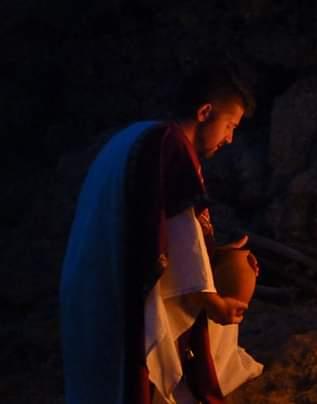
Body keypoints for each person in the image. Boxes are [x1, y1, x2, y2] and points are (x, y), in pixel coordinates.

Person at [60, 63, 263, 404]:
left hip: (92, 283)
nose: (230, 138)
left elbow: (152, 227)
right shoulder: (169, 145)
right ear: (205, 112)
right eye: (230, 125)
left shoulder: (138, 136)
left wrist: (214, 254)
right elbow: (180, 232)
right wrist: (213, 302)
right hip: (120, 293)